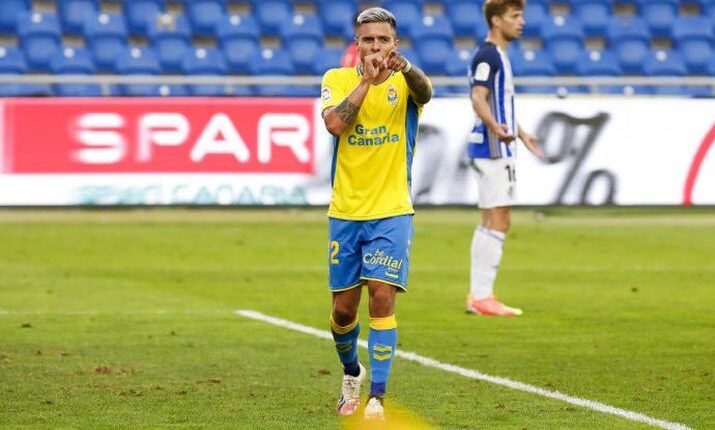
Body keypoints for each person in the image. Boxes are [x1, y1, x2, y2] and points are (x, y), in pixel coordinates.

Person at [320, 7, 432, 421]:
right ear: (357, 44)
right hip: (346, 212)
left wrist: (406, 70)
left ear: (394, 44)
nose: (375, 47)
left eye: (383, 40)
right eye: (368, 40)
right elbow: (334, 125)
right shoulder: (336, 79)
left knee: (382, 297)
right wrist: (366, 82)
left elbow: (426, 93)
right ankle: (352, 372)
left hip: (392, 211)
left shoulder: (406, 83)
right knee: (343, 312)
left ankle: (377, 399)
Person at [465, 0, 544, 316]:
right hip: (493, 148)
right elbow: (478, 97)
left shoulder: (498, 55)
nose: (521, 21)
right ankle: (483, 297)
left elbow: (500, 102)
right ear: (496, 21)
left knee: (489, 219)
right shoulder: (488, 55)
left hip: (495, 144)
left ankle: (478, 296)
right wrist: (494, 126)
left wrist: (521, 132)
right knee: (500, 219)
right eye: (515, 16)